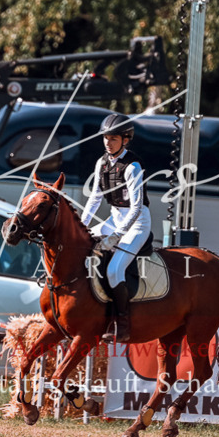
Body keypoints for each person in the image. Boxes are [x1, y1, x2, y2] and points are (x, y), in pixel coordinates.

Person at [81, 113, 150, 343]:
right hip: (114, 219)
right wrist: (82, 227)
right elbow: (94, 199)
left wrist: (118, 236)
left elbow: (137, 207)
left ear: (125, 140)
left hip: (137, 223)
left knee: (114, 270)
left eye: (113, 139)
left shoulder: (132, 167)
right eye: (106, 138)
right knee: (82, 246)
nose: (108, 143)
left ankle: (122, 322)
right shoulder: (101, 163)